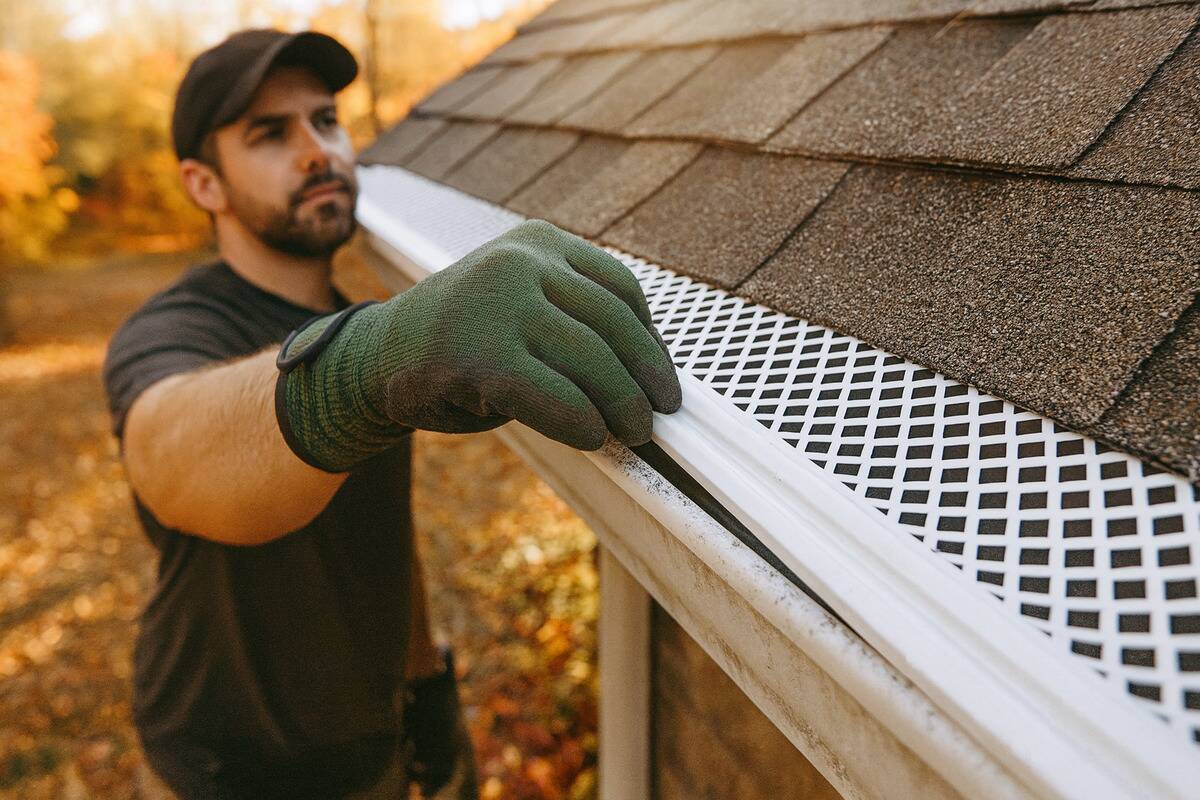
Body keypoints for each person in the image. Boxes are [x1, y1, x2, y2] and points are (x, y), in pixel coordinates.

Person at [101, 28, 682, 800]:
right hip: (215, 771)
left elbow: (378, 527)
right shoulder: (178, 330)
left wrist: (427, 691)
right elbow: (166, 453)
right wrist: (359, 369)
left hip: (371, 762)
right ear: (204, 183)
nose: (317, 151)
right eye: (270, 135)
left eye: (326, 120)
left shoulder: (368, 339)